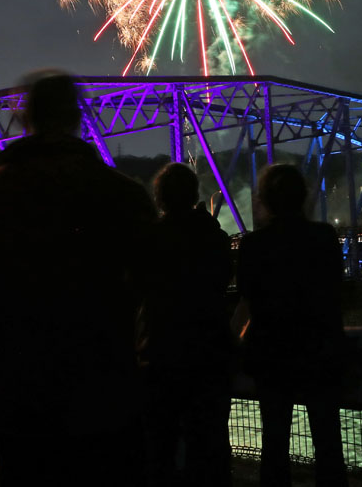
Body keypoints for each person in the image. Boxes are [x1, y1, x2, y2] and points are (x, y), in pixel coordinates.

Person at [0, 71, 156, 485]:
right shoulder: (124, 195)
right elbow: (152, 294)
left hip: (18, 397)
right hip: (105, 394)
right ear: (78, 116)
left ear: (25, 118)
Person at [235, 164, 348, 487]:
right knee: (328, 444)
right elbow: (335, 290)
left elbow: (247, 294)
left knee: (274, 444)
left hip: (271, 354)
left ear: (266, 199)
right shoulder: (324, 237)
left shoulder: (253, 245)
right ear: (303, 197)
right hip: (320, 350)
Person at [138, 162, 233, 487]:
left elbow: (135, 289)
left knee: (160, 447)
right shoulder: (216, 240)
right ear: (194, 195)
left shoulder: (148, 240)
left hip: (161, 355)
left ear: (159, 198)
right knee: (212, 445)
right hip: (210, 355)